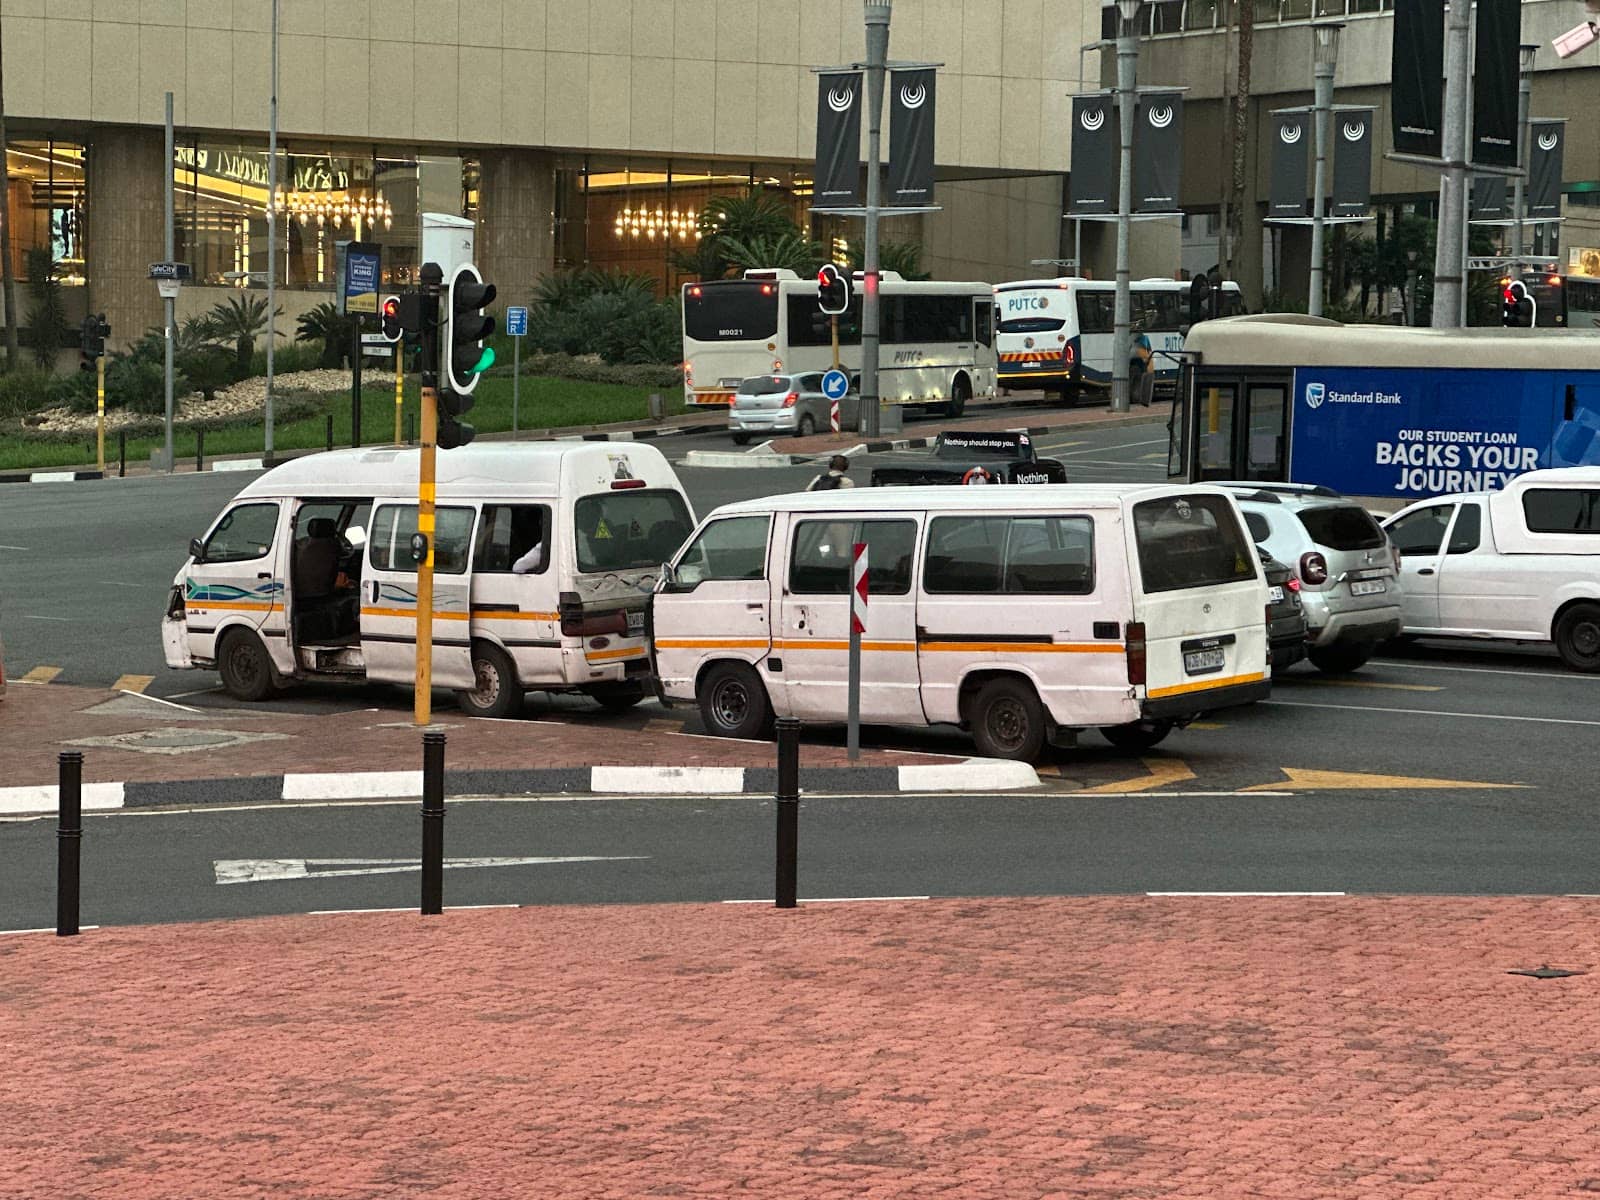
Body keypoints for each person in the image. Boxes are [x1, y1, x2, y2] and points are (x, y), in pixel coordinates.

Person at [1130, 323, 1155, 407]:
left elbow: (1149, 350)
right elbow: (1149, 350)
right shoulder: (1143, 338)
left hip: (1143, 359)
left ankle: (1142, 398)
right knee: (1145, 377)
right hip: (1144, 360)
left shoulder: (1137, 338)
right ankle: (1143, 398)